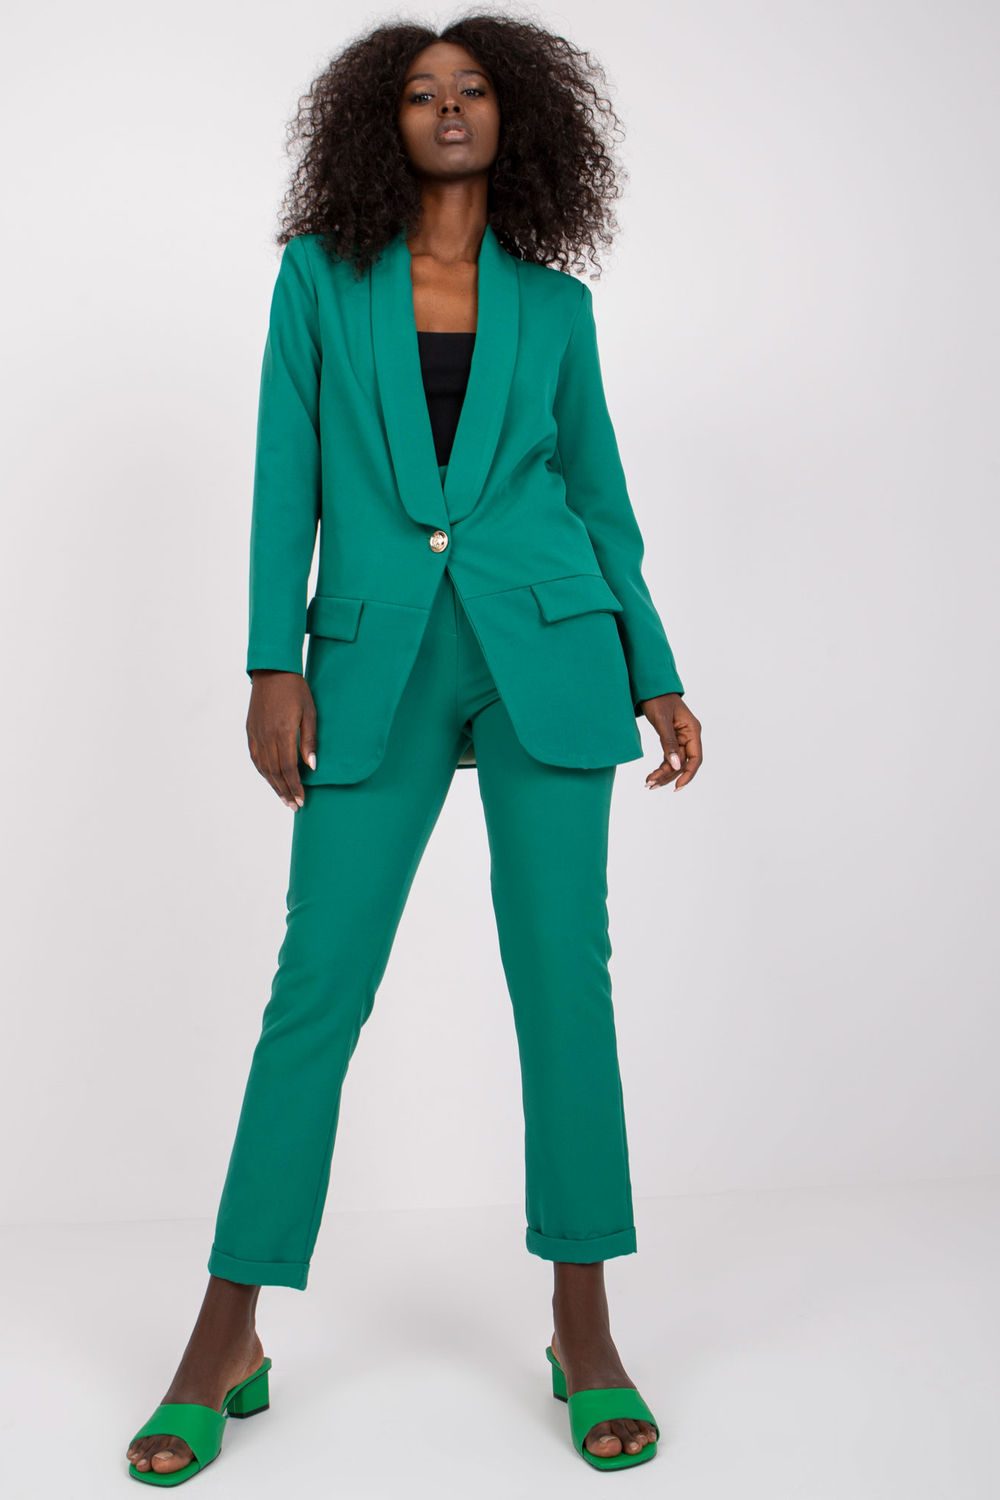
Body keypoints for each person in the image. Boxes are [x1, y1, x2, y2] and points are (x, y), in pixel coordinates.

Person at [126, 14, 703, 1484]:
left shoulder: (556, 307)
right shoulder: (318, 281)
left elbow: (600, 497)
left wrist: (654, 669)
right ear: (378, 125)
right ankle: (223, 1335)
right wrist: (273, 660)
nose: (449, 107)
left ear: (519, 119)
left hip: (549, 654)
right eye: (421, 93)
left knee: (563, 986)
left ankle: (584, 1325)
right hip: (372, 662)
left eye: (475, 88)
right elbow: (286, 476)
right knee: (317, 987)